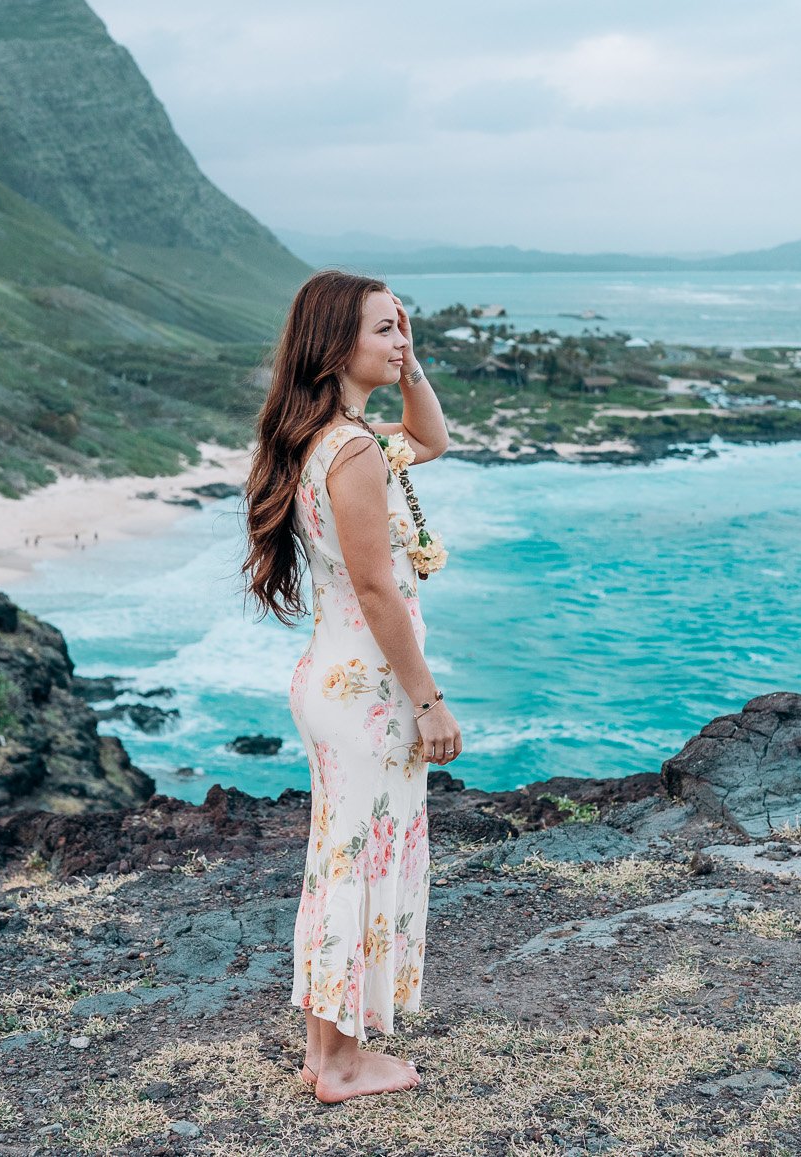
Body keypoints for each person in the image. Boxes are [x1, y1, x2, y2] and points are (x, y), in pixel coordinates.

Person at [242, 269, 460, 1104]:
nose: (400, 340)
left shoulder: (329, 438)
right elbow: (377, 589)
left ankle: (324, 1049)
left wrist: (409, 367)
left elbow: (432, 440)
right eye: (384, 330)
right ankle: (336, 1061)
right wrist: (429, 701)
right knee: (356, 862)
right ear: (337, 344)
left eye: (402, 327)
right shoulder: (356, 451)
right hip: (368, 689)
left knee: (342, 859)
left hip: (333, 677)